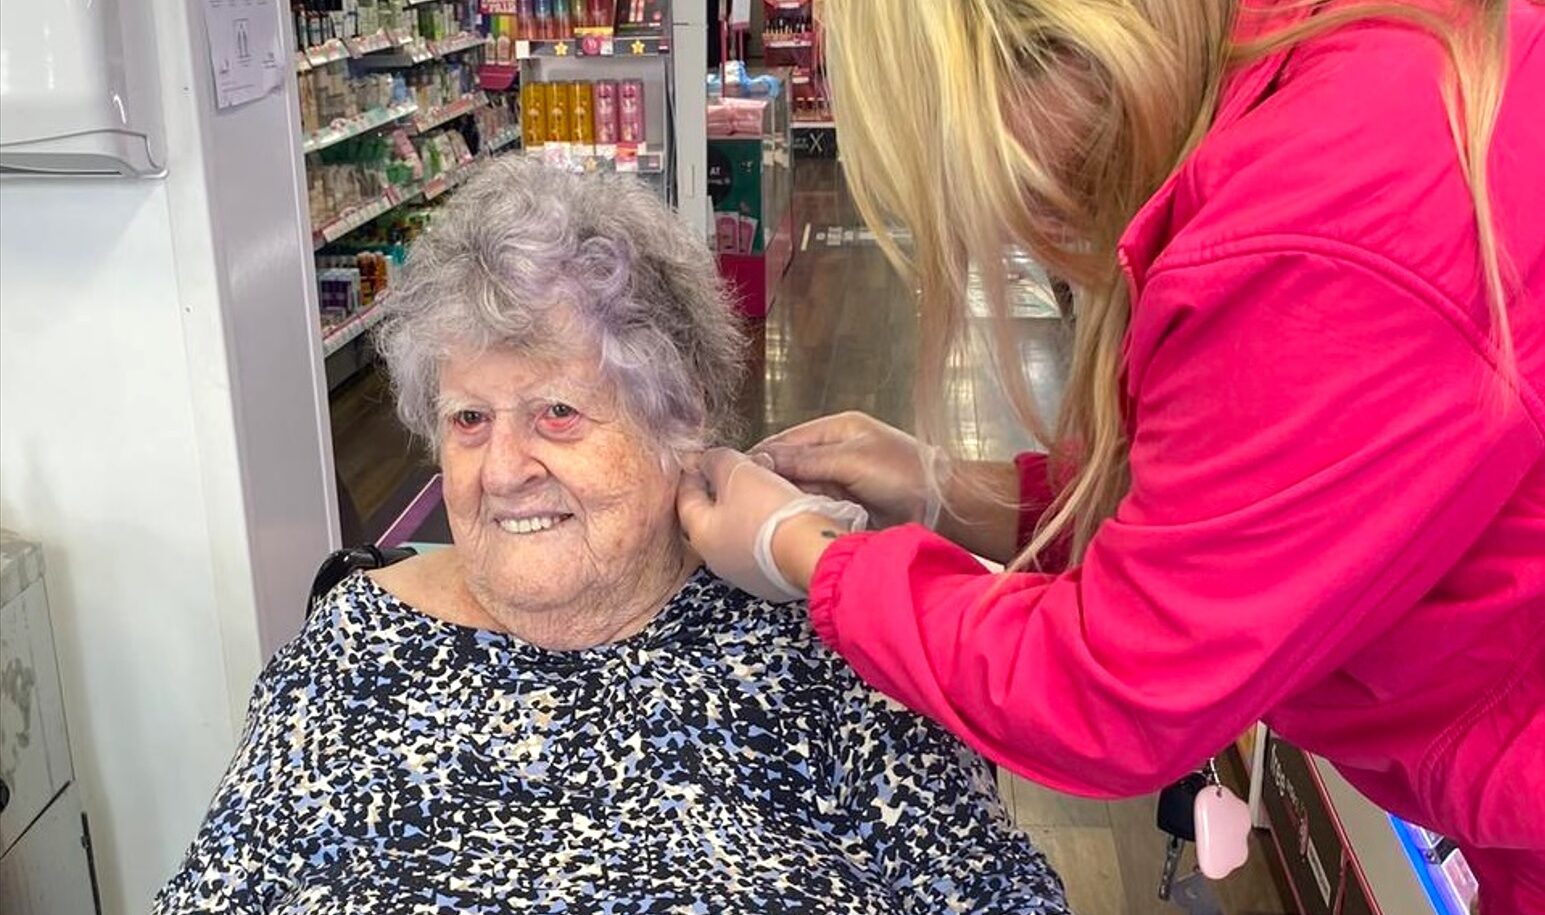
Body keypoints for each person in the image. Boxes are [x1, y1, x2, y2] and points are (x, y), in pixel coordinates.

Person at [677, 0, 1544, 911]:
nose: (1022, 214)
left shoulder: (1324, 209)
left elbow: (1121, 689)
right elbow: (1225, 504)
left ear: (1051, 59)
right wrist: (948, 491)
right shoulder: (1338, 96)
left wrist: (808, 551)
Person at [153, 158, 1070, 914]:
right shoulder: (352, 646)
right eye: (469, 419)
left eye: (556, 411)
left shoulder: (819, 650)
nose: (502, 468)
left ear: (680, 418)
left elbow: (992, 891)